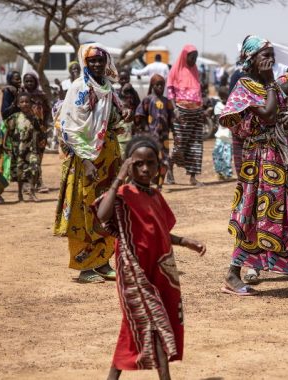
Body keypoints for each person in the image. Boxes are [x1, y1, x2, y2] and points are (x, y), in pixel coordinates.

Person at [219, 35, 288, 299]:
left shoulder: (276, 87)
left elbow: (286, 114)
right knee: (255, 217)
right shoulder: (246, 87)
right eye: (263, 55)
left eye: (271, 54)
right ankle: (233, 275)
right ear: (250, 59)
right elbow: (267, 116)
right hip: (261, 163)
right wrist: (270, 85)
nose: (270, 59)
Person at [92, 135, 205, 380]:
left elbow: (160, 231)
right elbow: (102, 215)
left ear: (158, 166)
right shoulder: (122, 194)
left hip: (157, 273)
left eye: (150, 163)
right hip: (133, 273)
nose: (144, 169)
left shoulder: (155, 196)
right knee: (155, 322)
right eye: (138, 164)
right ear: (128, 165)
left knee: (135, 326)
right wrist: (118, 179)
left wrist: (186, 241)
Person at [54, 42, 123, 284]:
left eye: (100, 60)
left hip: (108, 158)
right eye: (92, 60)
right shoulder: (79, 88)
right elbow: (69, 126)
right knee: (85, 210)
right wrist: (86, 160)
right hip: (86, 159)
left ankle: (103, 263)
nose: (96, 64)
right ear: (85, 62)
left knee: (106, 210)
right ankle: (85, 267)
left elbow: (112, 120)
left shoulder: (107, 87)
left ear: (107, 63)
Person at [166, 44, 204, 186]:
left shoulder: (195, 71)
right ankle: (169, 168)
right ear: (185, 56)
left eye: (196, 57)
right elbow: (170, 93)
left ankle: (193, 178)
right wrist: (175, 110)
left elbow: (199, 92)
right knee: (179, 144)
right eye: (192, 56)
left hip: (197, 113)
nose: (194, 59)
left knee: (196, 145)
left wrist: (202, 109)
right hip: (181, 113)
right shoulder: (175, 71)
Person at [135, 74, 173, 189]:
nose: (160, 87)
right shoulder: (148, 100)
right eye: (157, 85)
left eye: (162, 85)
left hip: (164, 137)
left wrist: (175, 133)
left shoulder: (167, 102)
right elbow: (139, 115)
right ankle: (149, 181)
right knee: (151, 159)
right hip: (151, 136)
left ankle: (160, 184)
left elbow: (172, 119)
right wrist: (146, 129)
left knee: (165, 160)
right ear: (152, 85)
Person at [2, 92, 40, 202]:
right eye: (22, 102)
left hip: (31, 149)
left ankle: (32, 192)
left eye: (27, 102)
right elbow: (7, 131)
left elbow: (39, 131)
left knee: (34, 169)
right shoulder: (15, 117)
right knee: (20, 174)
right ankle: (20, 194)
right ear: (18, 104)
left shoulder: (34, 118)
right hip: (18, 149)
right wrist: (4, 144)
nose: (25, 104)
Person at [116, 68, 140, 158]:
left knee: (131, 146)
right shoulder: (117, 92)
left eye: (126, 79)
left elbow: (138, 105)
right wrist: (123, 90)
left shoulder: (133, 93)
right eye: (122, 79)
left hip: (131, 124)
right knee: (121, 149)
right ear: (118, 80)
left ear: (129, 79)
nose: (124, 81)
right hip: (121, 124)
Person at [212, 86, 232, 180]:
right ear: (221, 97)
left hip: (228, 135)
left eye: (226, 97)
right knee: (217, 153)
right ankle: (220, 172)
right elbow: (219, 121)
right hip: (221, 134)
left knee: (227, 155)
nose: (225, 99)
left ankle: (227, 173)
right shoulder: (218, 106)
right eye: (223, 97)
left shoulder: (231, 104)